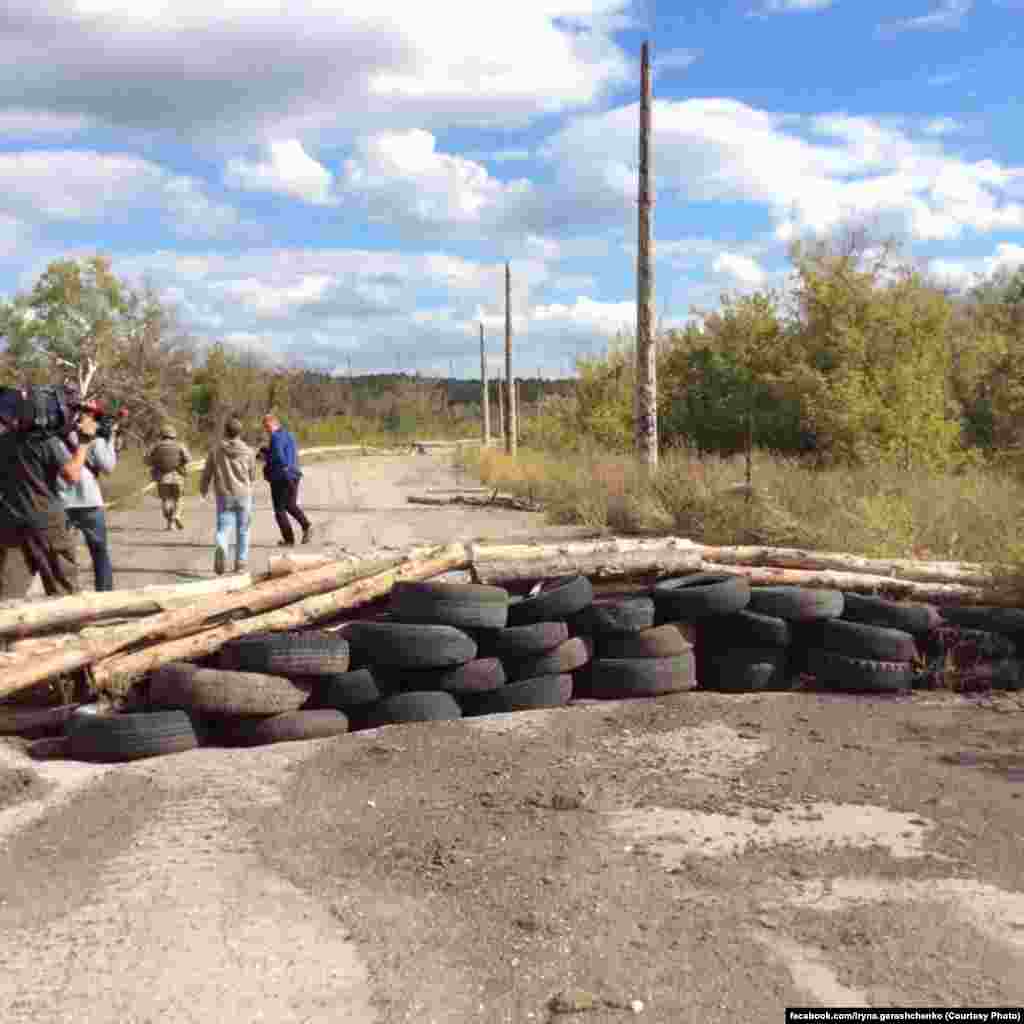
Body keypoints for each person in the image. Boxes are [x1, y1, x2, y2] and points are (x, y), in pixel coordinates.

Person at [0, 389, 97, 599]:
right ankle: (71, 628)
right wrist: (84, 443)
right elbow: (71, 475)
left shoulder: (4, 442)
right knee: (65, 591)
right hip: (48, 524)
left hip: (11, 523)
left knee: (7, 594)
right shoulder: (45, 442)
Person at [58, 400, 117, 592]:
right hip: (89, 502)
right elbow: (108, 467)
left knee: (64, 553)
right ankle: (105, 595)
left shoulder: (57, 437)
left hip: (61, 501)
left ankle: (68, 594)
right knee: (99, 552)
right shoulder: (96, 440)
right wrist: (110, 439)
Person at [200, 415, 256, 575]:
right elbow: (252, 475)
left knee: (223, 529)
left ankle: (222, 546)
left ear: (225, 431)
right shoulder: (248, 451)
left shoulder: (216, 450)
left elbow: (207, 472)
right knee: (243, 529)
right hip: (244, 495)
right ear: (240, 432)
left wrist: (203, 488)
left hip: (224, 495)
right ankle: (241, 564)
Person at [261, 412, 312, 546]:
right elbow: (287, 453)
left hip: (282, 477)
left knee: (279, 510)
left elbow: (278, 456)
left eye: (267, 426)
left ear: (274, 423)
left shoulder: (276, 437)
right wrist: (268, 452)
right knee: (290, 505)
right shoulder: (289, 435)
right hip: (294, 474)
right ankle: (307, 526)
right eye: (265, 427)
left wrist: (266, 462)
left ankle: (289, 540)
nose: (266, 430)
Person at [146, 424, 191, 530]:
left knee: (165, 500)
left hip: (162, 478)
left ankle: (170, 522)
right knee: (178, 499)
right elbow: (188, 458)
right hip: (178, 477)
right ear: (173, 435)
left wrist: (155, 463)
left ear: (161, 435)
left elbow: (147, 460)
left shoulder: (155, 446)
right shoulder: (180, 445)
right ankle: (176, 516)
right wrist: (181, 463)